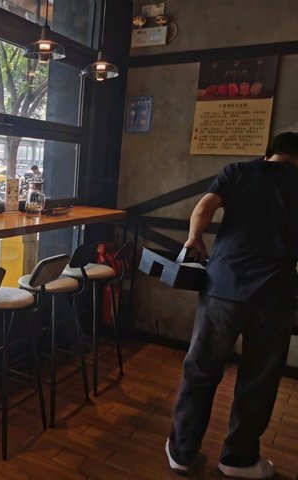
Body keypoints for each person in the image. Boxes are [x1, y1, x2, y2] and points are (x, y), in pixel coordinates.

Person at [166, 132, 298, 479]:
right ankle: (238, 460)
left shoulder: (239, 171)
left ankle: (182, 452)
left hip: (223, 287)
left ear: (269, 152)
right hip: (275, 296)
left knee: (201, 370)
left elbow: (204, 208)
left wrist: (194, 239)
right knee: (259, 379)